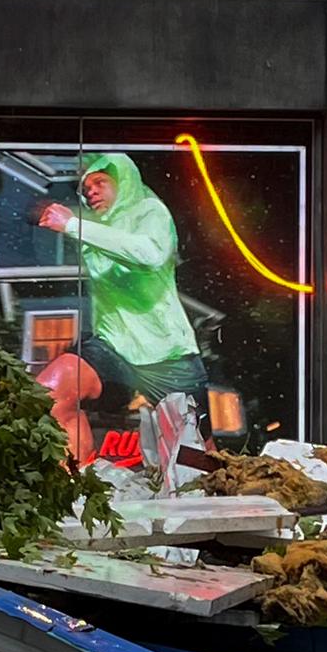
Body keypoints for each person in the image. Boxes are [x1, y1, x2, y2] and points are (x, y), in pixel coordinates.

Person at [31, 152, 207, 463]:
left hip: (165, 355)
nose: (91, 192)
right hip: (112, 346)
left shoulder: (149, 211)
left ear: (124, 182)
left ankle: (215, 504)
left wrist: (72, 224)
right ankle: (77, 491)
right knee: (49, 396)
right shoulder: (90, 230)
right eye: (86, 189)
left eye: (100, 183)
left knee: (196, 455)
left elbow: (150, 254)